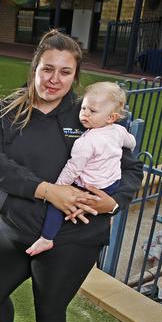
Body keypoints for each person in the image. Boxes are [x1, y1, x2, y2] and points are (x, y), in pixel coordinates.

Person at [0, 30, 142, 322]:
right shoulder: (8, 109)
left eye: (65, 71)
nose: (54, 79)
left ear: (75, 76)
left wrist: (111, 203)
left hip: (73, 239)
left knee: (49, 311)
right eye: (47, 69)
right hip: (16, 228)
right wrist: (47, 190)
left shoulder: (89, 113)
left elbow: (131, 169)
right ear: (35, 68)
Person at [26, 81, 136, 256]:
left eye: (92, 111)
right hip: (111, 186)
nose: (85, 114)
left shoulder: (85, 142)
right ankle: (104, 220)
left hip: (87, 186)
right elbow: (131, 142)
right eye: (83, 108)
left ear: (111, 117)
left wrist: (59, 187)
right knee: (97, 210)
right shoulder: (119, 132)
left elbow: (73, 169)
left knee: (56, 207)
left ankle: (47, 238)